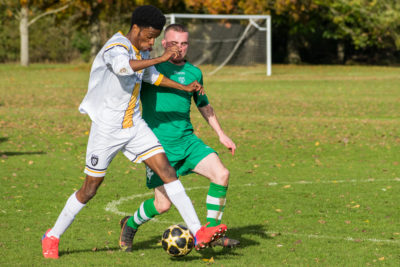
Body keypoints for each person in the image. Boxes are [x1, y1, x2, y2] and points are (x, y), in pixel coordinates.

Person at [41, 6, 227, 259]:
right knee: (90, 189)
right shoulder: (115, 47)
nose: (151, 43)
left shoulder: (142, 51)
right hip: (106, 130)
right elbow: (124, 68)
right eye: (149, 37)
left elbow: (152, 77)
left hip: (135, 126)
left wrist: (183, 87)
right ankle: (52, 236)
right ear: (136, 28)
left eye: (154, 38)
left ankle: (198, 232)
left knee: (168, 172)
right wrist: (161, 58)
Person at [119, 23, 239, 251]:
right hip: (157, 147)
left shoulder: (194, 72)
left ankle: (210, 232)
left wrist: (221, 134)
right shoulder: (149, 69)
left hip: (187, 141)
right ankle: (130, 224)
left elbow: (203, 104)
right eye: (174, 43)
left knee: (221, 174)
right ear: (163, 43)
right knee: (162, 205)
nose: (179, 48)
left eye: (184, 44)